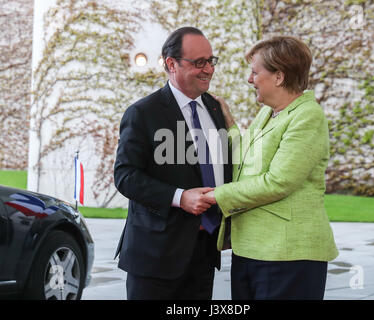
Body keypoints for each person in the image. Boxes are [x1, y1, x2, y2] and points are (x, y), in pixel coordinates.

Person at [206, 36, 339, 300]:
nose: (249, 79)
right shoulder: (269, 113)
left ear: (279, 76)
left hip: (288, 255)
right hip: (251, 250)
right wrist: (229, 122)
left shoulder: (307, 116)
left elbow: (279, 181)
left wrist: (214, 196)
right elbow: (249, 160)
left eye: (255, 72)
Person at [113, 27, 232, 300]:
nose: (209, 69)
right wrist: (180, 197)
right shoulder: (142, 113)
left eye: (211, 61)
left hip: (205, 251)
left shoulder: (215, 108)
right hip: (155, 255)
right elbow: (125, 175)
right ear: (171, 64)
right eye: (199, 62)